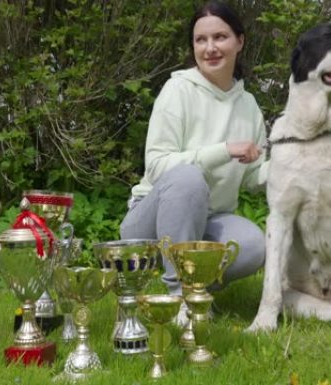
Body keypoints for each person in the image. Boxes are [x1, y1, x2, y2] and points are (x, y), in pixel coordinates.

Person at [120, 1, 268, 300]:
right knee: (187, 177)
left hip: (210, 221)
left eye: (220, 37)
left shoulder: (249, 106)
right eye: (201, 40)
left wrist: (294, 166)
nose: (210, 47)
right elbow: (159, 166)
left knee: (254, 245)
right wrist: (224, 150)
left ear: (239, 41)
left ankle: (197, 287)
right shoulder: (178, 90)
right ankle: (180, 296)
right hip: (149, 221)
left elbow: (253, 178)